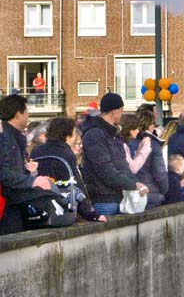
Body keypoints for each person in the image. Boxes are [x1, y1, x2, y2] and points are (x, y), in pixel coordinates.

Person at [81, 93, 149, 216]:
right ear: (115, 111)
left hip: (118, 197)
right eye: (121, 111)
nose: (121, 114)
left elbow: (122, 165)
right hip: (103, 199)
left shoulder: (114, 134)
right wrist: (133, 184)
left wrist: (135, 183)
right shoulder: (95, 134)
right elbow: (104, 169)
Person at [31, 117, 105, 223]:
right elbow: (76, 184)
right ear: (68, 136)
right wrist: (90, 214)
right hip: (61, 206)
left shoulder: (37, 150)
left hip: (40, 204)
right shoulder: (66, 153)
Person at [0, 95, 54, 234]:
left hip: (15, 201)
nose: (28, 116)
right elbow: (3, 172)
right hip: (9, 205)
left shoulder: (15, 137)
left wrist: (32, 172)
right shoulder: (5, 137)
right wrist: (32, 181)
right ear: (18, 114)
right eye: (27, 112)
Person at [128, 110, 168, 209]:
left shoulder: (125, 143)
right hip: (150, 194)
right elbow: (160, 174)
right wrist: (164, 191)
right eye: (153, 124)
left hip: (129, 193)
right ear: (149, 125)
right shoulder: (153, 145)